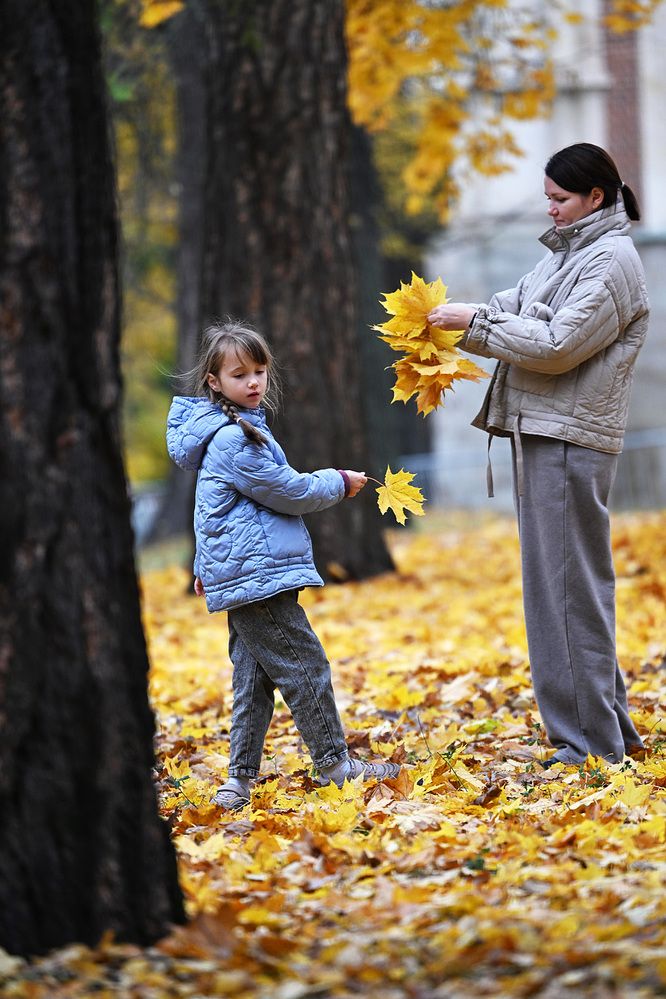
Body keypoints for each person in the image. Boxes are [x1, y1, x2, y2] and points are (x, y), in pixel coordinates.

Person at [428, 142, 648, 767]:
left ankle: (585, 747)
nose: (548, 209)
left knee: (564, 593)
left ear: (594, 198)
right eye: (547, 198)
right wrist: (465, 317)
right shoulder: (573, 255)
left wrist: (475, 324)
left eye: (559, 199)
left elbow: (555, 345)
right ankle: (608, 735)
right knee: (570, 588)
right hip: (551, 435)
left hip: (568, 441)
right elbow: (513, 308)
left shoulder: (610, 261)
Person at [166, 320, 400, 809]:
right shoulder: (233, 440)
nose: (253, 383)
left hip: (247, 569)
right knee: (303, 664)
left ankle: (238, 781)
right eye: (238, 375)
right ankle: (335, 764)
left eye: (259, 372)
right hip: (257, 575)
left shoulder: (235, 431)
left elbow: (214, 508)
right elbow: (289, 492)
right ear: (214, 381)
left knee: (252, 678)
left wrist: (208, 564)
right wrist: (337, 481)